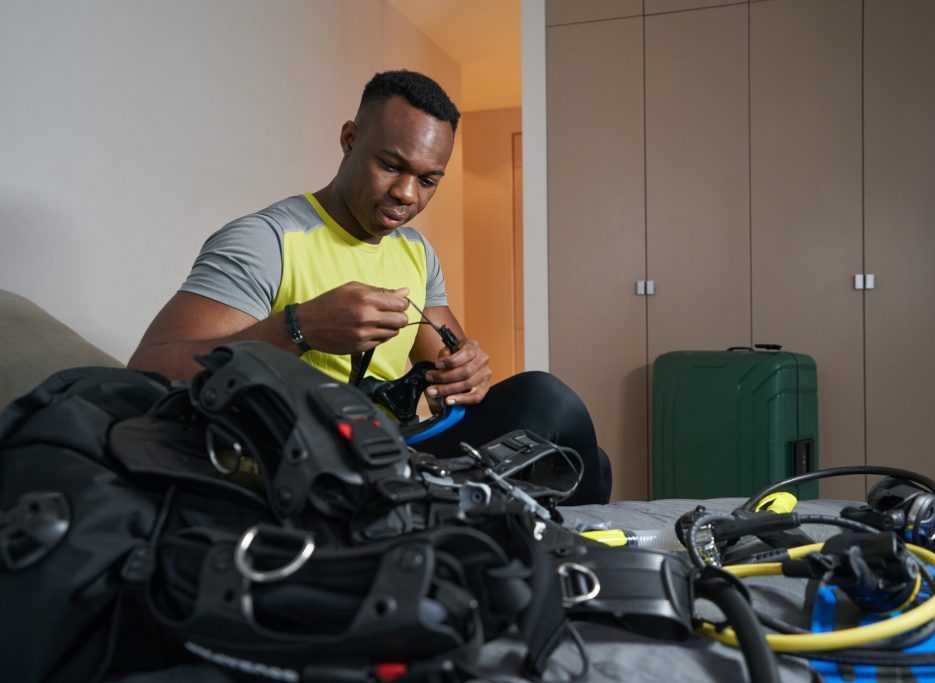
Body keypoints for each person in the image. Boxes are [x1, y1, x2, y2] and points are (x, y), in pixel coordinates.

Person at [128, 69, 611, 505]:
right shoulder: (267, 240)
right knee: (546, 399)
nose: (406, 194)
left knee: (584, 456)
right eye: (392, 165)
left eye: (428, 180)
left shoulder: (416, 252)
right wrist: (299, 329)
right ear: (349, 138)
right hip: (309, 459)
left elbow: (446, 369)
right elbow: (148, 370)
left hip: (397, 447)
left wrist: (468, 373)